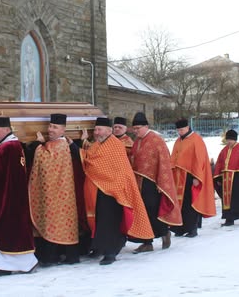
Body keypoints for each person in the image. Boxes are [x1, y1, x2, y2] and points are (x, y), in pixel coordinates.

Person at [80, 117, 154, 265]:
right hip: (100, 190)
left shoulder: (115, 145)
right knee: (101, 221)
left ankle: (111, 252)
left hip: (114, 191)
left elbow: (105, 166)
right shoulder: (96, 145)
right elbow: (89, 158)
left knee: (111, 222)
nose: (96, 132)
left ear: (109, 131)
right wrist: (78, 145)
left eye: (99, 129)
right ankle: (101, 248)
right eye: (95, 130)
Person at [0, 117, 37, 276]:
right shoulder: (13, 146)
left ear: (6, 129)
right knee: (8, 233)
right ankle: (5, 265)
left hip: (5, 201)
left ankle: (5, 267)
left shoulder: (6, 148)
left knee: (4, 233)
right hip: (12, 199)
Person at [27, 113, 82, 266]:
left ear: (63, 129)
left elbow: (46, 162)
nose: (50, 129)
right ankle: (63, 255)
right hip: (58, 193)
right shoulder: (55, 143)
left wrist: (38, 145)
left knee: (57, 222)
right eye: (50, 126)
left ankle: (52, 257)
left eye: (55, 127)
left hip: (59, 195)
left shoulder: (60, 144)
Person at [128, 112, 181, 253]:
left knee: (153, 210)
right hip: (139, 181)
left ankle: (164, 232)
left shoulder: (156, 140)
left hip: (153, 182)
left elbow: (164, 162)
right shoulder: (137, 141)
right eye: (134, 128)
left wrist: (162, 183)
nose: (136, 131)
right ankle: (147, 242)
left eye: (138, 128)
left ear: (146, 126)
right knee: (142, 212)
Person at [169, 118, 216, 237]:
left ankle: (192, 228)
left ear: (187, 127)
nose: (180, 132)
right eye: (178, 130)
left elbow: (199, 160)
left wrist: (197, 177)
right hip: (179, 177)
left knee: (191, 203)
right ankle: (179, 228)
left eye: (182, 129)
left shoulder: (196, 140)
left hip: (191, 176)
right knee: (180, 204)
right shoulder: (178, 141)